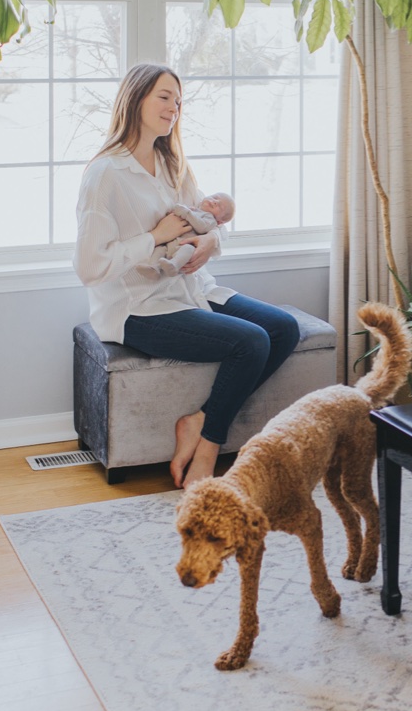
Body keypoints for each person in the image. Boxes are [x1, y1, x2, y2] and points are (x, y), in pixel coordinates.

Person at [74, 63, 300, 489]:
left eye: (178, 101)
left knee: (283, 329)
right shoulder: (105, 175)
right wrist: (154, 238)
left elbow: (210, 221)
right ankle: (209, 449)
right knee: (251, 342)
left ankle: (197, 421)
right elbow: (90, 267)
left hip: (193, 289)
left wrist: (212, 242)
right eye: (164, 96)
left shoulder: (173, 164)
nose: (173, 107)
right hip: (139, 306)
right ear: (135, 98)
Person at [142, 192, 234, 278]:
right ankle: (153, 268)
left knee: (188, 250)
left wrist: (186, 213)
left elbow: (201, 226)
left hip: (185, 244)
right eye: (215, 197)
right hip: (169, 243)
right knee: (159, 250)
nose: (215, 202)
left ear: (219, 221)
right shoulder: (194, 208)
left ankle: (174, 265)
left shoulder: (210, 219)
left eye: (220, 207)